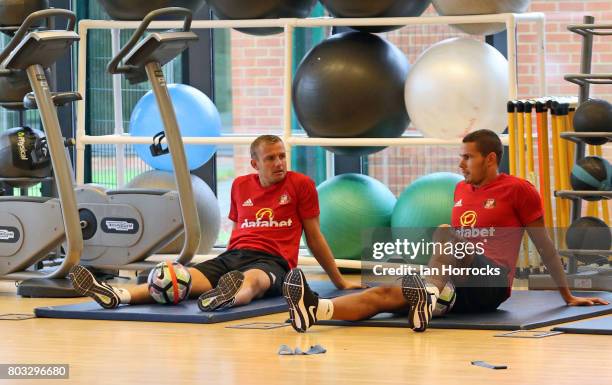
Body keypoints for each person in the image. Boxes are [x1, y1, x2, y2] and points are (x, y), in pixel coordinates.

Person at [283, 129, 609, 333]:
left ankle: (431, 295)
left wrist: (567, 294)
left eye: (468, 157)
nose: (461, 164)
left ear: (491, 158)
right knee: (382, 294)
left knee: (445, 232)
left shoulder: (519, 190)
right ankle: (315, 309)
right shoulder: (461, 191)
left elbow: (544, 245)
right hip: (453, 284)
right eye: (460, 157)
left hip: (490, 283)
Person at [69, 134, 361, 310]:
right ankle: (119, 295)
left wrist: (339, 281)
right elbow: (237, 231)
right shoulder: (240, 185)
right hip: (233, 256)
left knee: (255, 281)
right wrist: (226, 259)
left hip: (273, 261)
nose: (279, 163)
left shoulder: (302, 184)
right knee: (176, 281)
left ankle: (229, 297)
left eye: (282, 156)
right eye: (271, 158)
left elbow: (314, 237)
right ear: (255, 164)